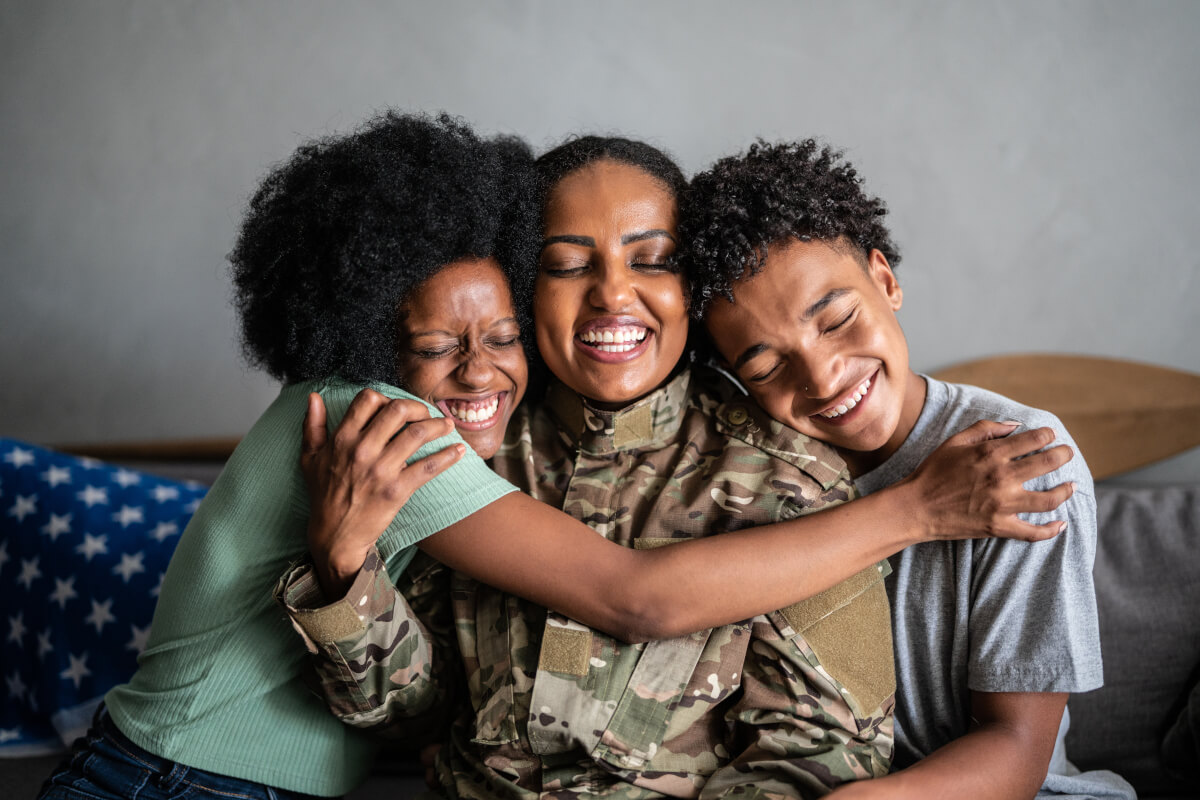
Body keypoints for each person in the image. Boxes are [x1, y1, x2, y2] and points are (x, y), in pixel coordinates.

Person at [38, 112, 1072, 800]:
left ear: (696, 299)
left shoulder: (789, 473)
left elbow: (817, 756)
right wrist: (346, 580)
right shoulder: (463, 450)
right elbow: (413, 711)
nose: (613, 297)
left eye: (651, 263)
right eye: (566, 266)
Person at [682, 139, 1136, 799]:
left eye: (837, 320)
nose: (822, 375)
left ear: (886, 281)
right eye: (766, 366)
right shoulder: (743, 474)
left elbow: (1017, 749)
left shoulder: (1015, 459)